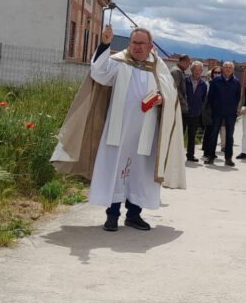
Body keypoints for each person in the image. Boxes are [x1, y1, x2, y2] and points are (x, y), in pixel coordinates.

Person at [51, 25, 185, 232]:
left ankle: (134, 215)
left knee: (140, 173)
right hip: (118, 131)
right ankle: (112, 216)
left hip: (145, 133)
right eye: (134, 42)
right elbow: (98, 72)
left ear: (150, 46)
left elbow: (171, 94)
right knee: (114, 171)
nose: (137, 47)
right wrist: (105, 43)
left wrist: (161, 98)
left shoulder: (158, 66)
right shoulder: (119, 62)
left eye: (141, 43)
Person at [205, 61, 241, 166]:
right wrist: (215, 107)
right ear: (222, 69)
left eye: (230, 67)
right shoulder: (216, 80)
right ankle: (210, 156)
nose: (228, 69)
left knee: (229, 136)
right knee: (214, 134)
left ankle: (228, 158)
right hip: (217, 112)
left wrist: (235, 109)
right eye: (226, 67)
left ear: (233, 70)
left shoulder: (236, 82)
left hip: (230, 113)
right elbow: (210, 96)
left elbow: (238, 97)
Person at [182, 61, 207, 162]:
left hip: (195, 113)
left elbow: (203, 98)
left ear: (201, 71)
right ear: (191, 70)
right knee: (180, 134)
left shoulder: (203, 84)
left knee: (192, 135)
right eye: (195, 69)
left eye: (199, 70)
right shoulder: (185, 81)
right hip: (183, 112)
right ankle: (177, 155)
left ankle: (190, 155)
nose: (197, 72)